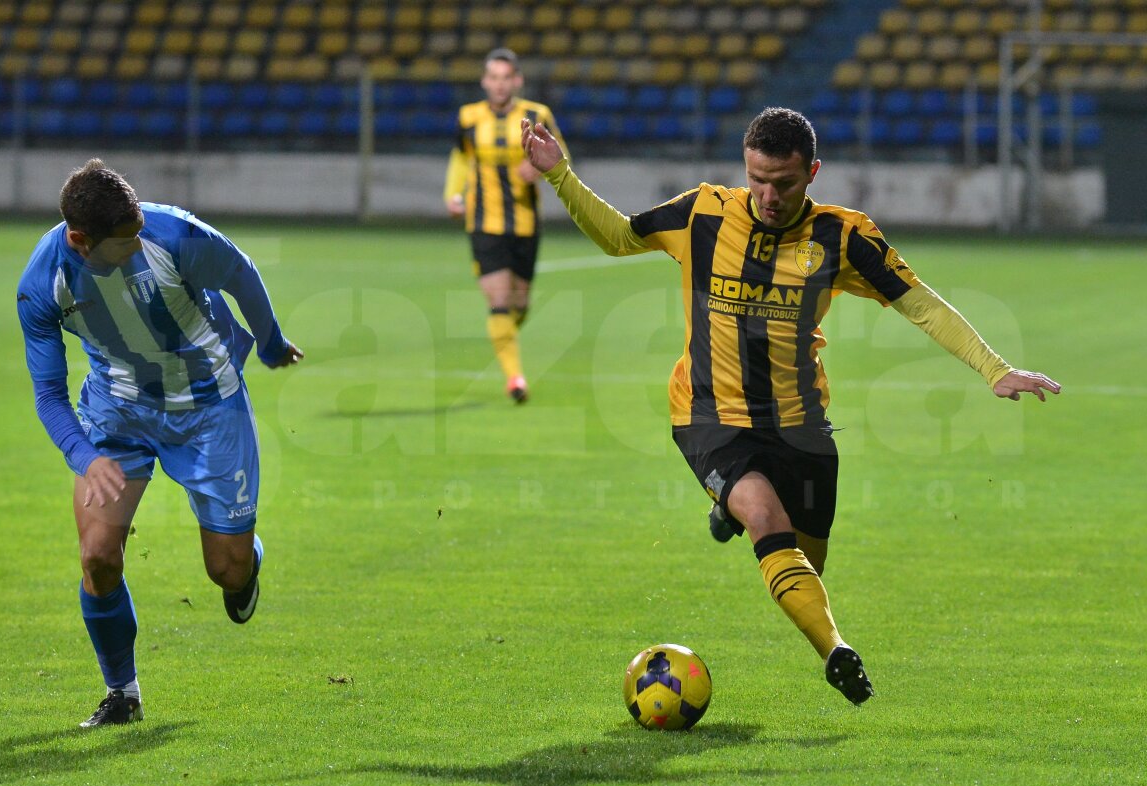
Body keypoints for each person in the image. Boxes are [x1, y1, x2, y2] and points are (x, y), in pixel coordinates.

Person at [521, 108, 1060, 704]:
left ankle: (728, 508)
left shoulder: (843, 237)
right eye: (757, 179)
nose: (769, 196)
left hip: (800, 425)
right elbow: (621, 237)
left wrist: (994, 369)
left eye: (784, 182)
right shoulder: (703, 213)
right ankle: (837, 651)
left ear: (812, 173)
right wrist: (559, 175)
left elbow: (921, 304)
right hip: (709, 413)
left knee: (806, 561)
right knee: (765, 519)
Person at [16, 159, 303, 727]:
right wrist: (85, 456)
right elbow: (48, 394)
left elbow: (241, 274)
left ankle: (247, 559)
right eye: (123, 242)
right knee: (97, 558)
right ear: (79, 240)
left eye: (138, 230)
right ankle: (122, 693)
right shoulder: (43, 284)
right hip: (117, 411)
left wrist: (270, 344)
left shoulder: (175, 235)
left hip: (208, 406)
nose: (136, 244)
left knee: (227, 571)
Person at [444, 47, 570, 403]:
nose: (499, 84)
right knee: (499, 300)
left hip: (525, 223)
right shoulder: (468, 117)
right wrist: (453, 194)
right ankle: (515, 379)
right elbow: (461, 157)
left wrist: (541, 168)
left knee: (519, 305)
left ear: (517, 81)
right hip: (483, 222)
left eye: (506, 78)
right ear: (485, 81)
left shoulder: (537, 115)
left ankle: (502, 337)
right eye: (493, 78)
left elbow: (562, 156)